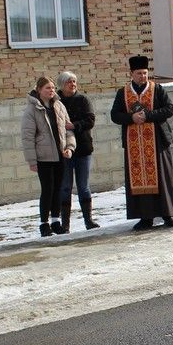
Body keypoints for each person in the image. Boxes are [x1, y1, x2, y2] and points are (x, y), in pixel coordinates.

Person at [110, 55, 173, 230]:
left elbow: (170, 109)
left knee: (162, 178)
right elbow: (114, 115)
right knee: (139, 181)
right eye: (138, 73)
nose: (142, 76)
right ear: (131, 73)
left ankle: (167, 214)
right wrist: (131, 117)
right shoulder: (123, 92)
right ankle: (145, 218)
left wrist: (149, 115)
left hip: (157, 141)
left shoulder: (157, 89)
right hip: (134, 144)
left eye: (144, 73)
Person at [22, 76, 76, 236]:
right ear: (39, 90)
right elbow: (27, 137)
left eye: (52, 88)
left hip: (60, 155)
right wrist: (32, 161)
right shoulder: (32, 110)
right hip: (43, 156)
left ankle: (56, 221)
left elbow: (68, 129)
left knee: (58, 189)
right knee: (47, 189)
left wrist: (70, 148)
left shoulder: (59, 106)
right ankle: (44, 224)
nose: (51, 90)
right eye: (47, 88)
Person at [56, 71, 99, 230]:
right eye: (69, 82)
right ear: (62, 84)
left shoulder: (83, 99)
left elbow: (90, 120)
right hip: (64, 150)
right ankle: (65, 224)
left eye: (74, 81)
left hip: (83, 148)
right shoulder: (57, 102)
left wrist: (75, 125)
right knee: (65, 186)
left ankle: (88, 220)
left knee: (83, 186)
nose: (72, 84)